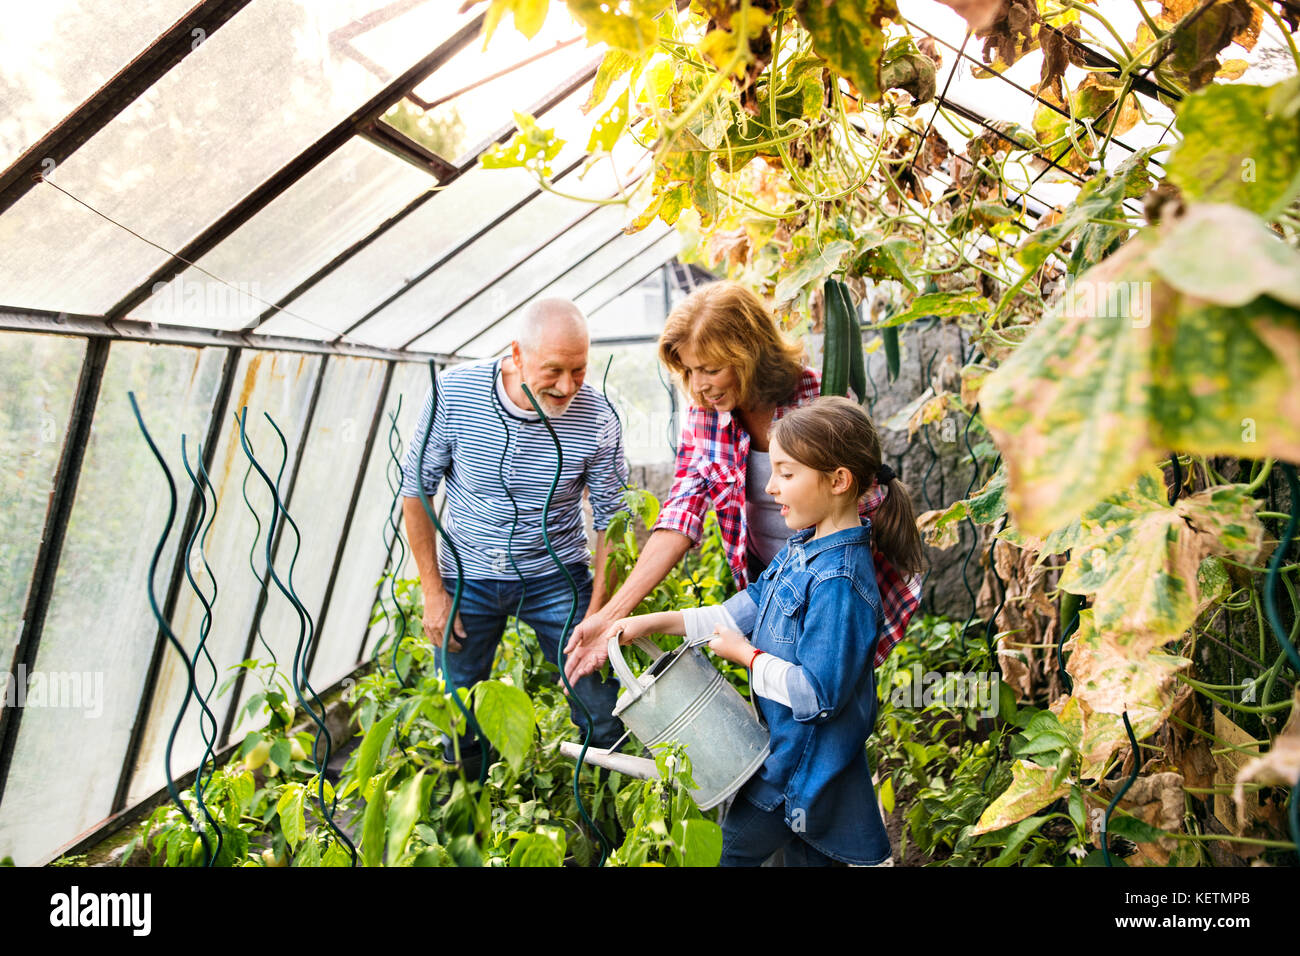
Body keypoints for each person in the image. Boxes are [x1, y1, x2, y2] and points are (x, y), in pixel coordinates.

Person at [589, 397, 925, 865]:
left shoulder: (840, 584)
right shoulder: (802, 548)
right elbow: (740, 611)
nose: (769, 487)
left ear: (838, 481)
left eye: (786, 474)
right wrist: (652, 622)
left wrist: (746, 657)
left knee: (728, 854)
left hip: (794, 772)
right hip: (785, 757)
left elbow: (819, 695)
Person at [564, 280, 921, 684]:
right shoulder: (705, 415)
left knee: (830, 692)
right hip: (770, 584)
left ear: (749, 354)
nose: (698, 385)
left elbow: (854, 505)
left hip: (833, 585)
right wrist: (612, 615)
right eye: (689, 370)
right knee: (786, 697)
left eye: (711, 369)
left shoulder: (822, 396)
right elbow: (681, 516)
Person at [400, 298, 629, 771]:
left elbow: (611, 518)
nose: (567, 386)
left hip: (557, 578)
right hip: (467, 578)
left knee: (603, 713)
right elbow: (415, 490)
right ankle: (471, 828)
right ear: (517, 355)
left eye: (579, 370)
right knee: (460, 719)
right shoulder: (455, 393)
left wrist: (599, 614)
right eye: (554, 370)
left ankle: (609, 830)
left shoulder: (598, 417)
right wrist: (432, 592)